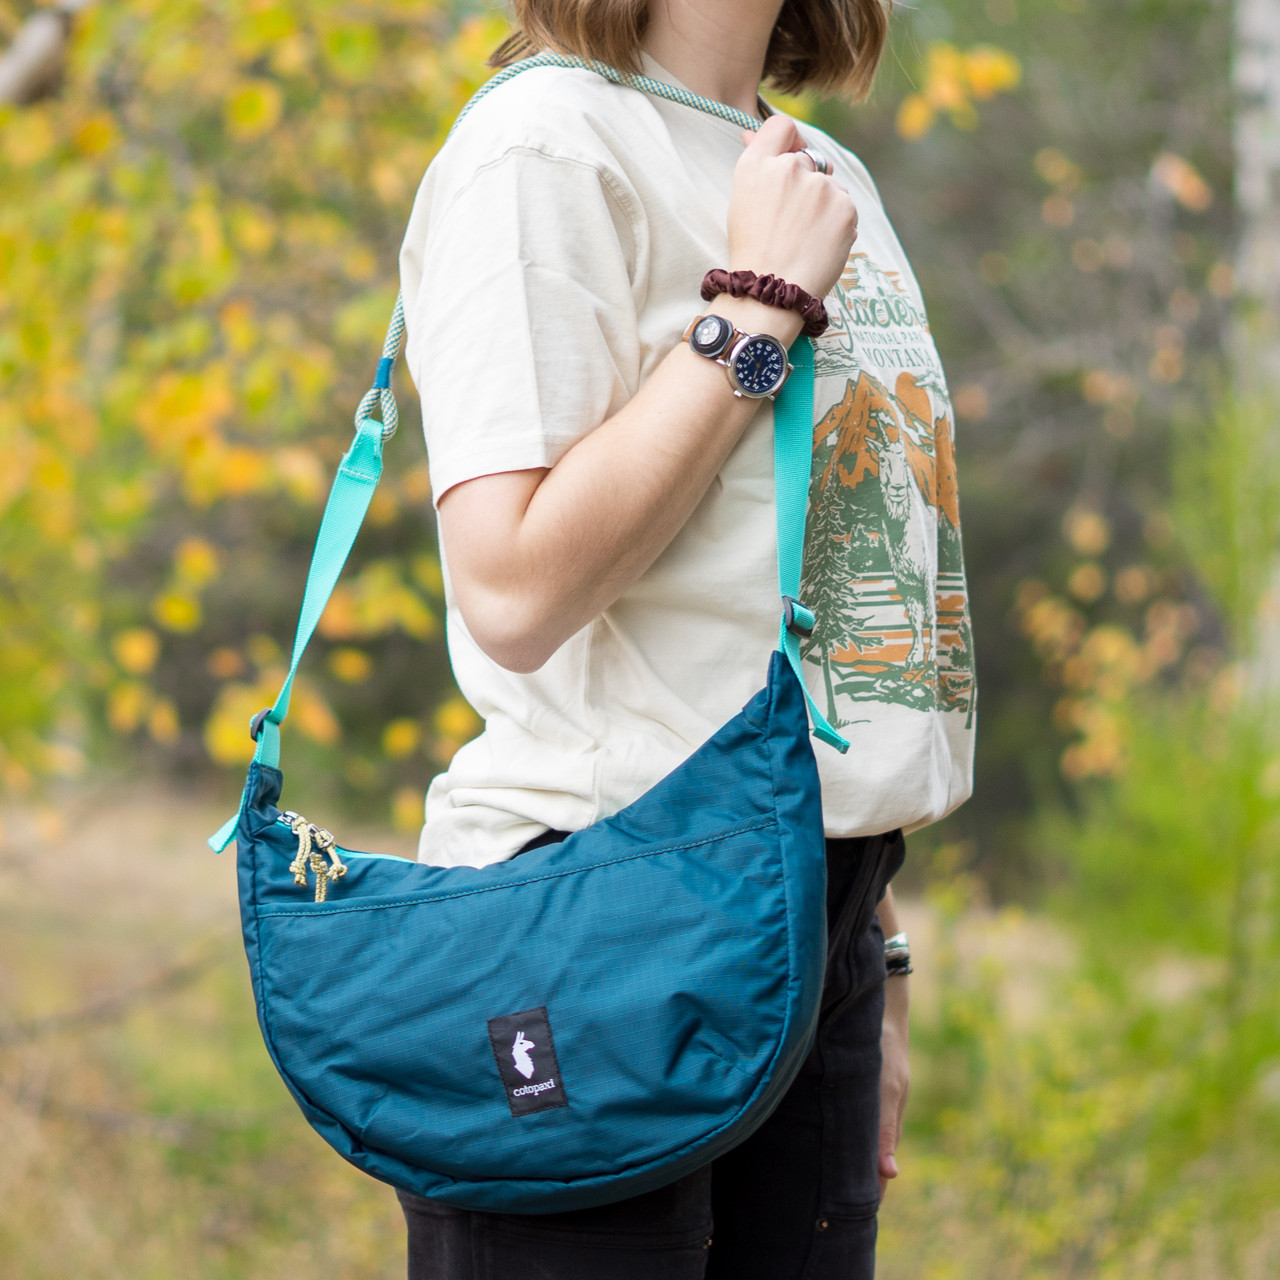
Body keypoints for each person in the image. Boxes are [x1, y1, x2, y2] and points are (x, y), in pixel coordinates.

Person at [396, 0, 976, 1274]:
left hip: (805, 929)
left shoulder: (829, 178)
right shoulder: (543, 147)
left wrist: (866, 959)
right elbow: (512, 589)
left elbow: (810, 607)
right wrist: (759, 305)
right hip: (600, 921)